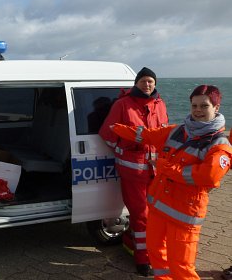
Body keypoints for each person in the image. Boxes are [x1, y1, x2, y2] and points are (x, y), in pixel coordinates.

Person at [111, 84, 232, 280]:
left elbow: (207, 176)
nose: (198, 111)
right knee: (157, 257)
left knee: (181, 267)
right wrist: (117, 128)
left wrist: (165, 167)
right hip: (159, 208)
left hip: (184, 215)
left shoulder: (220, 145)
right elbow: (146, 135)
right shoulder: (177, 131)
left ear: (216, 108)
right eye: (194, 106)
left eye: (204, 106)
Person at [99, 67, 168, 276]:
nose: (148, 84)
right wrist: (124, 149)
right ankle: (142, 260)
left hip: (156, 172)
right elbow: (107, 132)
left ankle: (132, 243)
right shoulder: (122, 104)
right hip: (133, 171)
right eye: (144, 81)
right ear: (136, 83)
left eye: (151, 82)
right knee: (141, 216)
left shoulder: (160, 104)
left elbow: (164, 133)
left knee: (156, 215)